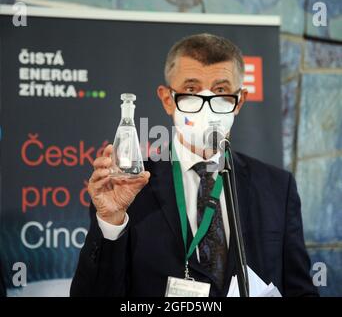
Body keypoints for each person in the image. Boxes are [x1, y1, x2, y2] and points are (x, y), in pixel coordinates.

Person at [70, 33, 318, 297]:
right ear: (167, 100)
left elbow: (299, 290)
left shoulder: (277, 187)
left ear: (239, 101)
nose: (207, 105)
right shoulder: (128, 185)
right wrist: (110, 223)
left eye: (221, 90)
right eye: (191, 89)